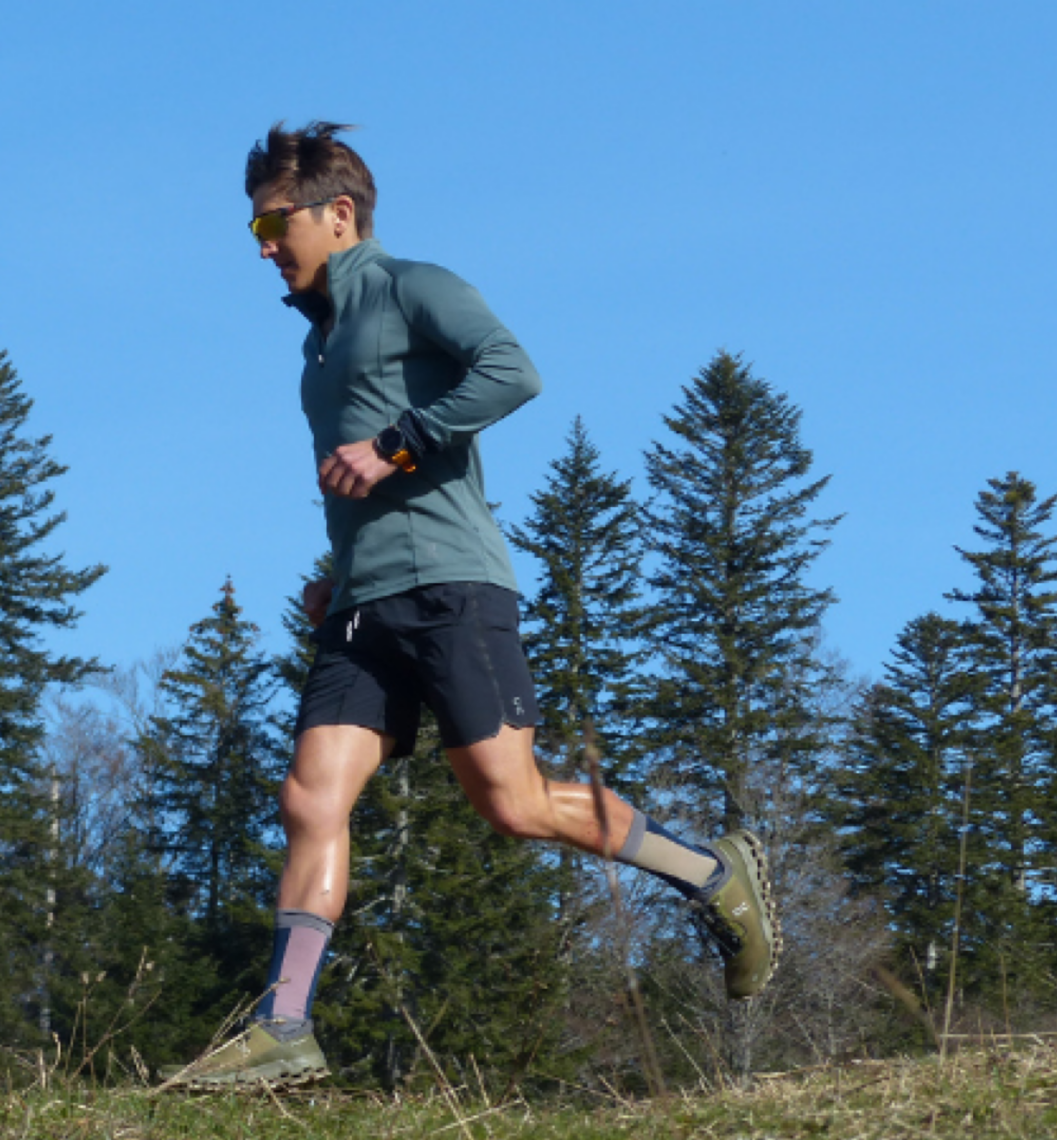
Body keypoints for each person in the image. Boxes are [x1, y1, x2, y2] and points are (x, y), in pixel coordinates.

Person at [165, 122, 780, 1089]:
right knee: (309, 798)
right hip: (362, 605)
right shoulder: (318, 346)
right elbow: (354, 478)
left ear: (340, 213)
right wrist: (339, 565)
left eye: (273, 223)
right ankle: (285, 1028)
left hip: (454, 586)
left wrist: (398, 443)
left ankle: (710, 872)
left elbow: (512, 370)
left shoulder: (415, 286)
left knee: (514, 804)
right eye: (253, 230)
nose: (264, 245)